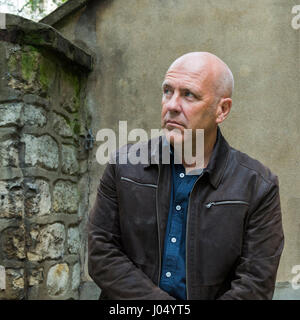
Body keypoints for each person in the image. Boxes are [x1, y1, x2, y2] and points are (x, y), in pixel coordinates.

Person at [88, 52, 284, 300]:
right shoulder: (123, 166)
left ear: (221, 110)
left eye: (188, 95)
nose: (171, 105)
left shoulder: (258, 185)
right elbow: (101, 254)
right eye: (167, 91)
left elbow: (255, 284)